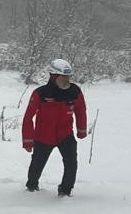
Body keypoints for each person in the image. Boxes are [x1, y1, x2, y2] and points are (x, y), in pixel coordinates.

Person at [23, 58, 88, 196]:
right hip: (43, 136)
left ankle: (65, 190)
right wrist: (28, 140)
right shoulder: (40, 93)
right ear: (54, 76)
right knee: (37, 165)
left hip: (65, 135)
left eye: (68, 76)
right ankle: (31, 187)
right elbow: (28, 117)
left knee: (71, 164)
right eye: (63, 76)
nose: (67, 79)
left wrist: (81, 130)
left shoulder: (74, 91)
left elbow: (81, 110)